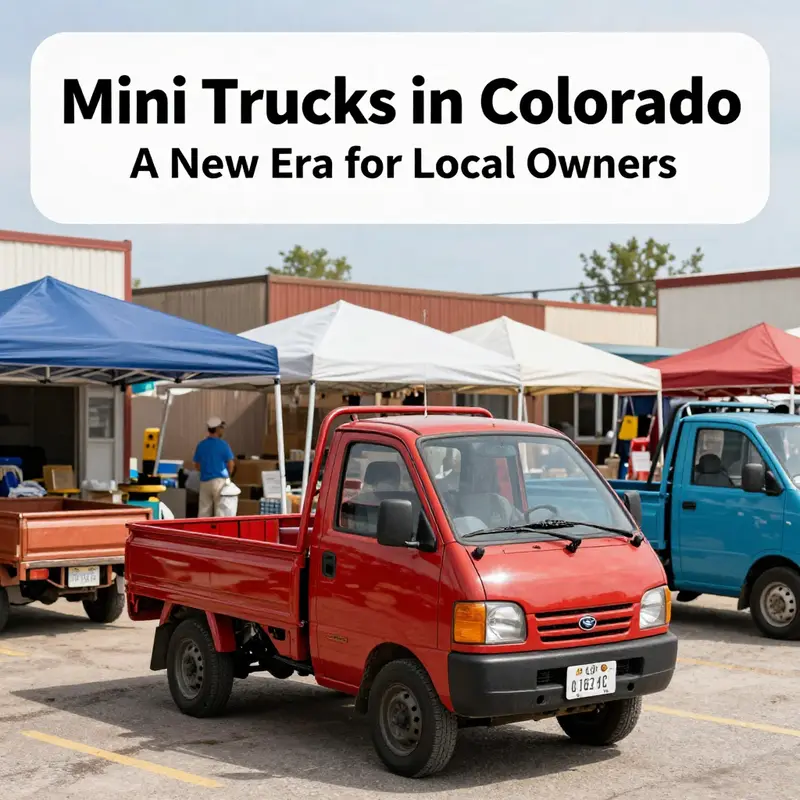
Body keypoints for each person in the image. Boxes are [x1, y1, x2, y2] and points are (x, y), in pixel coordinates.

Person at [192, 416, 235, 517]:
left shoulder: (201, 445)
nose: (222, 430)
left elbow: (196, 464)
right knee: (221, 511)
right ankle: (219, 532)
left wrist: (204, 471)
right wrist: (229, 476)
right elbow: (231, 464)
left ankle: (202, 531)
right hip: (219, 481)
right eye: (221, 428)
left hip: (204, 481)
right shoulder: (223, 445)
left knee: (204, 511)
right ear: (217, 429)